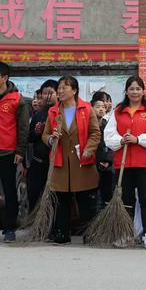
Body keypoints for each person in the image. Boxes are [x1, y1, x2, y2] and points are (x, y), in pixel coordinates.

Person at [104, 76, 146, 249]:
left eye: (138, 88)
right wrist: (121, 140)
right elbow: (109, 135)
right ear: (126, 91)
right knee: (126, 199)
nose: (135, 92)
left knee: (145, 198)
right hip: (123, 163)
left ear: (143, 91)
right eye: (132, 88)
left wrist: (137, 139)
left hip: (144, 162)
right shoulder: (118, 111)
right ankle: (125, 233)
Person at [42, 76, 100, 244]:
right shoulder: (53, 111)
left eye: (64, 88)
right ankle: (61, 233)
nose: (60, 91)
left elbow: (95, 133)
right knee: (61, 200)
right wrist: (52, 139)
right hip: (60, 161)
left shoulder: (86, 109)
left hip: (82, 161)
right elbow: (45, 135)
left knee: (85, 200)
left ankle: (90, 233)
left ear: (74, 91)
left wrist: (89, 149)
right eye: (59, 88)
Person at [0, 62, 29, 242]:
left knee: (10, 190)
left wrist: (20, 150)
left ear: (4, 78)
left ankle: (10, 227)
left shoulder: (17, 99)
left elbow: (23, 127)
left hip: (8, 152)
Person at [27, 79, 58, 212]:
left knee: (54, 197)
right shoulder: (38, 114)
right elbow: (30, 138)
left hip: (56, 163)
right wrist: (37, 132)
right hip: (38, 161)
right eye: (44, 94)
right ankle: (33, 224)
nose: (47, 96)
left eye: (50, 92)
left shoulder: (62, 112)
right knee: (33, 193)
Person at [91, 96, 113, 208]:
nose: (101, 109)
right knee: (93, 198)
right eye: (98, 106)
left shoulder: (108, 125)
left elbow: (112, 145)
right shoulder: (88, 125)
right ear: (91, 108)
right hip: (92, 165)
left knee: (107, 197)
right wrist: (98, 161)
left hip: (107, 167)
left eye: (103, 107)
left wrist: (108, 161)